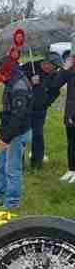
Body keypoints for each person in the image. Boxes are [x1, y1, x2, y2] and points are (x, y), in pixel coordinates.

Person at [0, 57, 34, 208]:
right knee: (1, 165)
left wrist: (6, 138)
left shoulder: (19, 87)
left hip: (17, 133)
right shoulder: (11, 82)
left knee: (12, 169)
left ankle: (12, 203)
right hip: (9, 131)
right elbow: (7, 112)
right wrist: (0, 130)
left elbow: (18, 117)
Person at [21, 53, 62, 169]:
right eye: (54, 67)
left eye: (57, 68)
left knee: (37, 135)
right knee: (21, 136)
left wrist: (46, 103)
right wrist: (30, 82)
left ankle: (37, 162)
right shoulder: (28, 67)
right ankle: (18, 163)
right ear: (47, 63)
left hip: (40, 110)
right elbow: (14, 84)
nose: (55, 70)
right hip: (24, 107)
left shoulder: (54, 75)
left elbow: (56, 91)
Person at [52, 54, 75, 182]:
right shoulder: (71, 69)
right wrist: (65, 68)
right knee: (71, 142)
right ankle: (71, 169)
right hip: (70, 112)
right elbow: (56, 84)